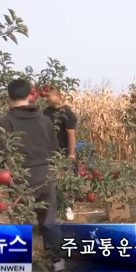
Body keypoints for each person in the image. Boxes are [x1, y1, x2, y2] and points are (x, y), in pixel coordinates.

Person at [0, 79, 65, 272]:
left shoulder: (4, 122)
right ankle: (57, 261)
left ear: (8, 97)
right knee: (49, 220)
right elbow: (54, 150)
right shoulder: (44, 120)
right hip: (45, 175)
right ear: (29, 96)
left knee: (20, 223)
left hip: (21, 178)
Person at [43, 87, 78, 221]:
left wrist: (71, 153)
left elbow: (71, 135)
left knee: (63, 181)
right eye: (45, 97)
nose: (46, 99)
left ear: (58, 96)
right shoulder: (46, 112)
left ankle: (67, 206)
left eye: (49, 96)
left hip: (61, 152)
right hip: (47, 152)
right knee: (49, 182)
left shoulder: (67, 114)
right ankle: (53, 209)